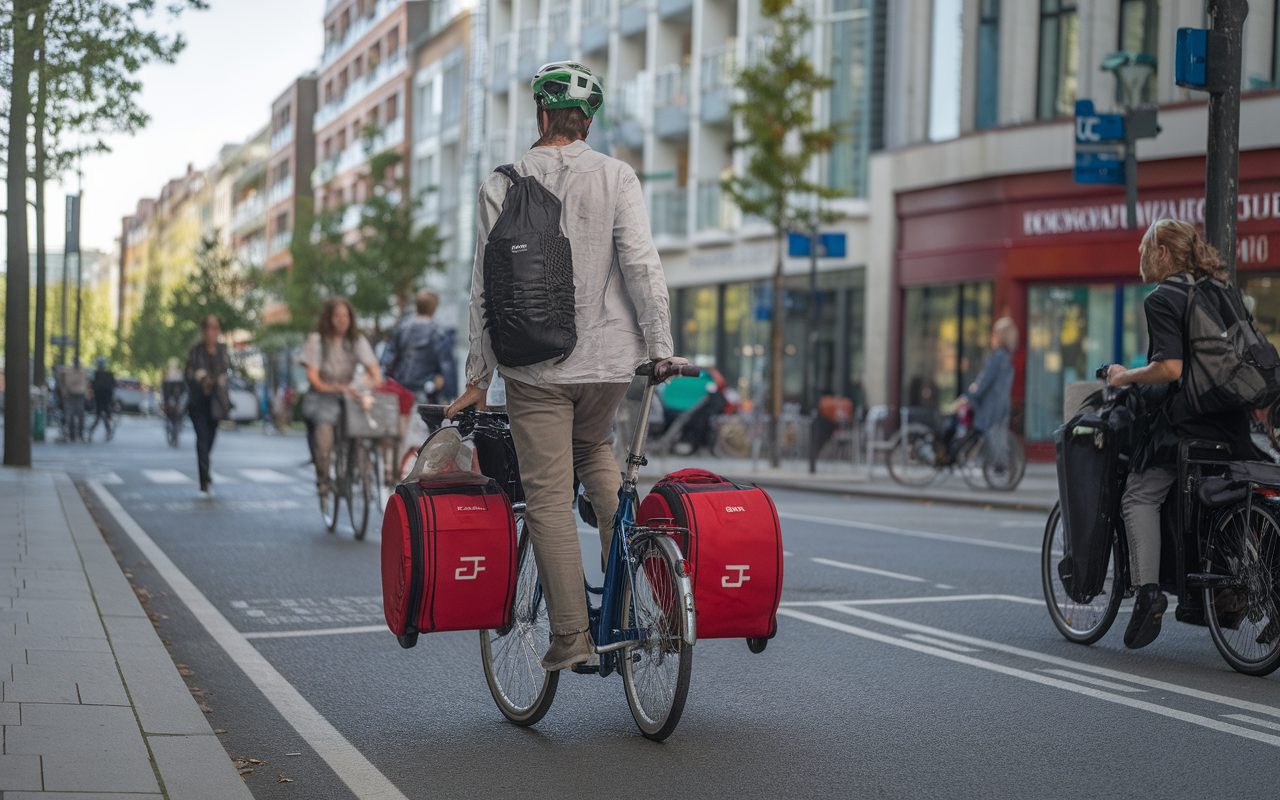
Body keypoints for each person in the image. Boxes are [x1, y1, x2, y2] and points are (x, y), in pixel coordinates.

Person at [447, 61, 683, 672]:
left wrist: (478, 379)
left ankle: (574, 639)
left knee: (549, 500)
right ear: (588, 120)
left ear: (541, 113)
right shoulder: (617, 175)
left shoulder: (503, 181)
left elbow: (482, 291)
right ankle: (629, 595)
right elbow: (642, 266)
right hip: (609, 364)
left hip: (536, 370)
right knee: (595, 452)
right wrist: (659, 347)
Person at [1106, 218, 1261, 649]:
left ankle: (1150, 593)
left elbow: (1170, 369)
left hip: (1190, 424)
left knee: (1139, 494)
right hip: (1233, 421)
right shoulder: (1220, 289)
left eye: (1142, 249)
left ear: (1162, 253)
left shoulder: (1163, 298)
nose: (1138, 257)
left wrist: (1124, 377)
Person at [302, 297, 383, 512]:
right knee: (325, 434)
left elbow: (375, 372)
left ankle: (361, 472)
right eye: (337, 315)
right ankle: (323, 481)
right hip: (322, 395)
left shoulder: (357, 340)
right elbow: (314, 378)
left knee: (364, 425)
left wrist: (363, 383)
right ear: (329, 318)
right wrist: (337, 388)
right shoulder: (317, 340)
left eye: (345, 316)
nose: (341, 320)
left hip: (349, 394)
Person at [381, 290, 457, 405]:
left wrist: (385, 380)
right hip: (425, 391)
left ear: (417, 305)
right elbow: (447, 367)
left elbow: (388, 359)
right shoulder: (439, 332)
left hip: (399, 389)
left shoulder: (402, 327)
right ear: (435, 308)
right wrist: (451, 397)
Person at [186, 315, 232, 494]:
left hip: (216, 402)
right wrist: (199, 376)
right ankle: (203, 477)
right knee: (202, 439)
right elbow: (188, 372)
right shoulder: (196, 351)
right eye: (208, 328)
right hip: (199, 402)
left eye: (215, 328)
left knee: (211, 439)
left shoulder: (222, 350)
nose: (212, 332)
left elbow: (226, 371)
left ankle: (206, 467)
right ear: (203, 331)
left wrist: (221, 379)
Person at [87, 357, 117, 442]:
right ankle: (94, 432)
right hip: (101, 399)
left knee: (102, 417)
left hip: (104, 399)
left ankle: (93, 432)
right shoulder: (97, 375)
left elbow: (112, 387)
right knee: (101, 417)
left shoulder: (104, 375)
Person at [61, 358, 89, 443]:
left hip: (80, 395)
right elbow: (68, 383)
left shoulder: (82, 372)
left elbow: (84, 383)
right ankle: (72, 434)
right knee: (71, 415)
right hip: (71, 395)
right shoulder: (70, 372)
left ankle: (80, 433)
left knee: (81, 415)